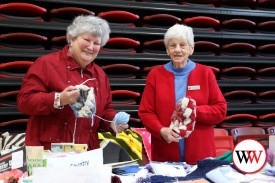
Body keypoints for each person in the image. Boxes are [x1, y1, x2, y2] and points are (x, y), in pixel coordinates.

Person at [17, 15, 129, 151]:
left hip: (87, 153)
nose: (90, 47)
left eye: (97, 43)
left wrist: (112, 121)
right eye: (86, 40)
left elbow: (103, 110)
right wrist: (58, 99)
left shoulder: (101, 76)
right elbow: (24, 102)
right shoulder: (46, 64)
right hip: (47, 151)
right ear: (72, 39)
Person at [138, 24, 227, 165]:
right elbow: (146, 112)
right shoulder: (155, 75)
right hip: (164, 155)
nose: (177, 50)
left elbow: (220, 110)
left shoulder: (205, 73)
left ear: (191, 49)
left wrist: (194, 110)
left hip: (200, 156)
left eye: (183, 45)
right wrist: (161, 131)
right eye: (172, 45)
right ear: (167, 50)